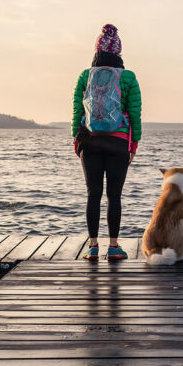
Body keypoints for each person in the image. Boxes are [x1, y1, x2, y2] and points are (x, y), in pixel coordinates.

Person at [71, 24, 142, 261]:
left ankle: (92, 247)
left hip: (90, 142)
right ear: (119, 52)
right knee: (114, 195)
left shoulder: (85, 76)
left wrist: (76, 140)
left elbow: (76, 110)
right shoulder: (128, 77)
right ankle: (113, 247)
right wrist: (133, 144)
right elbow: (134, 113)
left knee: (93, 194)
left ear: (97, 50)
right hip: (119, 142)